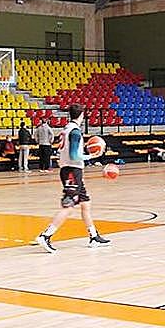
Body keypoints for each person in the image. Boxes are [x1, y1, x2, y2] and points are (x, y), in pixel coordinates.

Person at [36, 105, 110, 253]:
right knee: (68, 206)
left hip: (69, 169)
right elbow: (75, 155)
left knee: (86, 204)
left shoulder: (65, 129)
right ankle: (46, 235)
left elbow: (59, 151)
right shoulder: (75, 131)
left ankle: (93, 236)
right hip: (72, 170)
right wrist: (92, 156)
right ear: (82, 115)